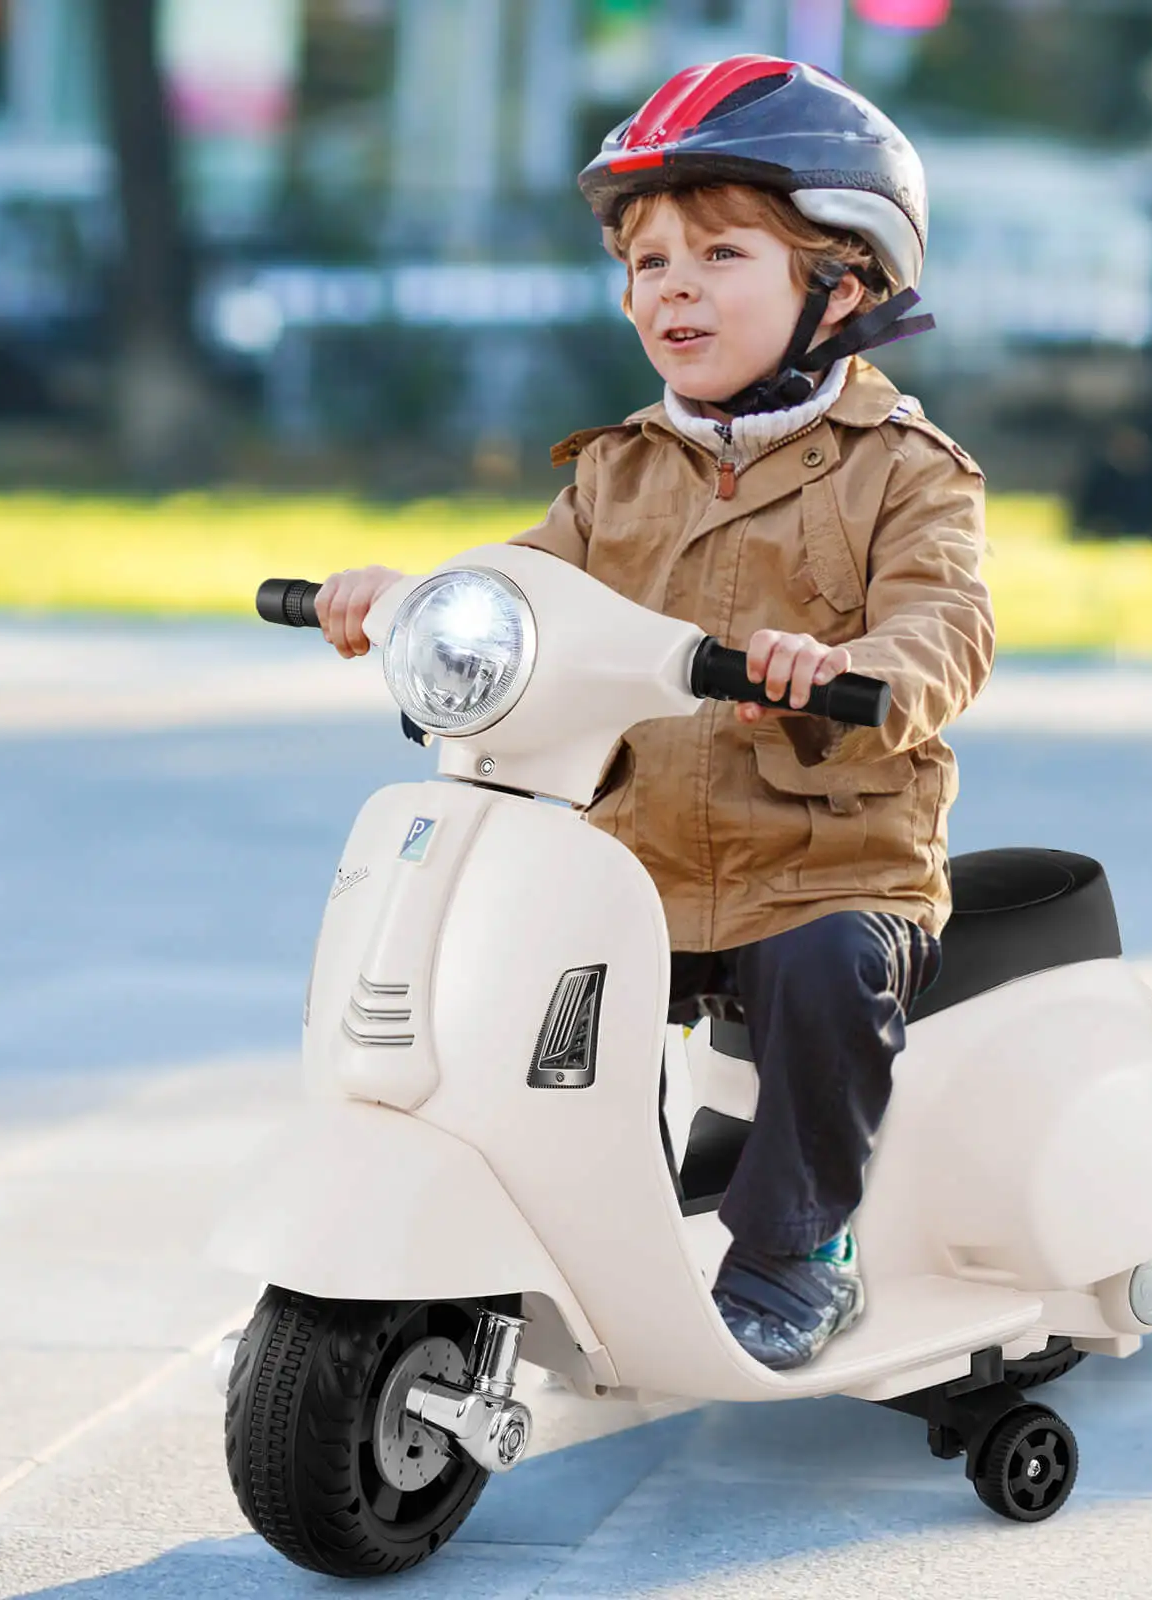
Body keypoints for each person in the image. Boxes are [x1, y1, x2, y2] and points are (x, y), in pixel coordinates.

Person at [315, 57, 994, 1370]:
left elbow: (944, 625)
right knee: (524, 972)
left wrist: (852, 668)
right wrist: (415, 605)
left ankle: (802, 1246)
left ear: (839, 285)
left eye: (721, 253)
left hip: (824, 865)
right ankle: (559, 1221)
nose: (670, 286)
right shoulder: (619, 470)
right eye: (646, 261)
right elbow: (523, 587)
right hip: (635, 858)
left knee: (825, 972)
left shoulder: (907, 472)